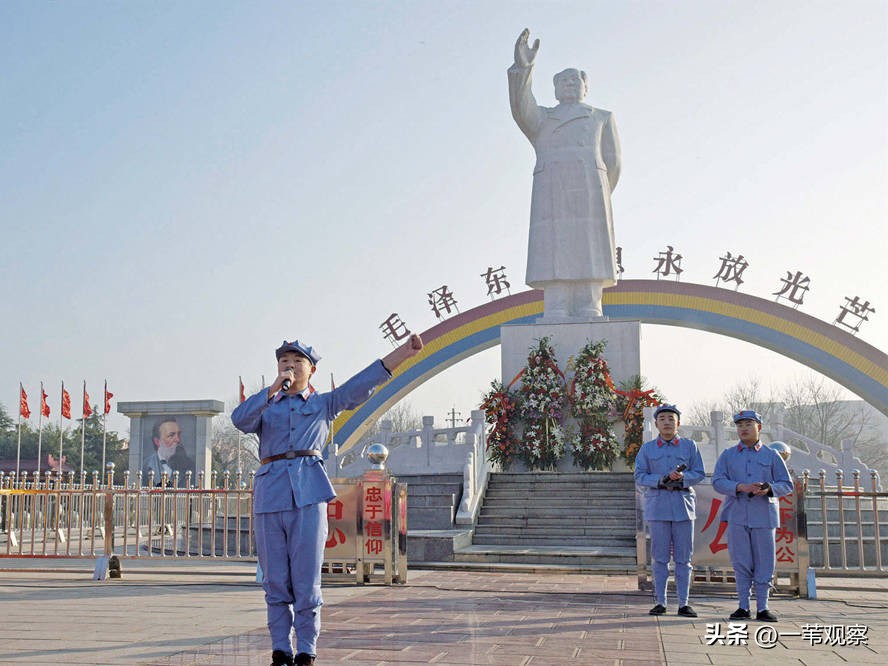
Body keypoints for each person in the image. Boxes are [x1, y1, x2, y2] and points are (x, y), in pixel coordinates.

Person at [232, 334, 423, 666]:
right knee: (275, 578)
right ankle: (280, 647)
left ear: (312, 370)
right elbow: (239, 420)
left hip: (308, 493)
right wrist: (270, 390)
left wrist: (402, 355)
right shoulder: (266, 405)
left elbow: (362, 384)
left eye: (296, 363)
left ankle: (306, 647)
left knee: (306, 578)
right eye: (283, 363)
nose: (288, 367)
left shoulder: (324, 404)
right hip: (270, 493)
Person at [508, 28, 621, 321]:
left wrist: (599, 193)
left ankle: (589, 301)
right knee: (554, 247)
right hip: (552, 190)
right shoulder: (543, 118)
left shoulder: (601, 117)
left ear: (586, 87)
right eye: (564, 81)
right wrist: (524, 67)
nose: (570, 84)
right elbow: (521, 107)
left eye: (576, 80)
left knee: (589, 245)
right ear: (555, 89)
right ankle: (556, 302)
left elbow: (614, 161)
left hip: (589, 190)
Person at [712, 410, 793, 622]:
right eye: (740, 425)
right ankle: (742, 606)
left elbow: (786, 484)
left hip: (764, 516)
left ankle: (763, 607)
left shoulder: (771, 455)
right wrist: (739, 486)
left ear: (759, 427)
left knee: (765, 562)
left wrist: (768, 488)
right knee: (741, 561)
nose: (744, 428)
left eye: (749, 424)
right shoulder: (728, 455)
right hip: (737, 514)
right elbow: (718, 481)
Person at [634, 404, 705, 618]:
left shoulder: (689, 446)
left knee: (684, 558)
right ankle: (661, 602)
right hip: (658, 507)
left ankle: (683, 603)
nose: (667, 422)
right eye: (662, 418)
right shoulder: (647, 449)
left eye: (671, 419)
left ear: (678, 423)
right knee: (660, 557)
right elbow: (639, 476)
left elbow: (699, 472)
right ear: (656, 424)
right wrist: (660, 480)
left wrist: (683, 478)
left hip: (683, 507)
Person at [141, 417, 194, 486]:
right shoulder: (147, 466)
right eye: (171, 435)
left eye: (178, 434)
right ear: (157, 441)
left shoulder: (189, 464)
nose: (178, 440)